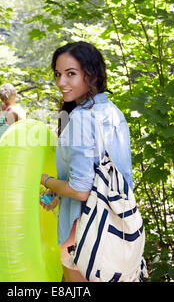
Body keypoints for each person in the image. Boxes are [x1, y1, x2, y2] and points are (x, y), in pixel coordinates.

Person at [40, 41, 137, 282]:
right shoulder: (112, 111)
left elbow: (81, 190)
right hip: (120, 224)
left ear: (90, 74)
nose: (61, 82)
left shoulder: (82, 118)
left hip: (83, 231)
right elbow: (108, 174)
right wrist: (60, 193)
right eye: (58, 74)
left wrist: (47, 181)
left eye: (71, 74)